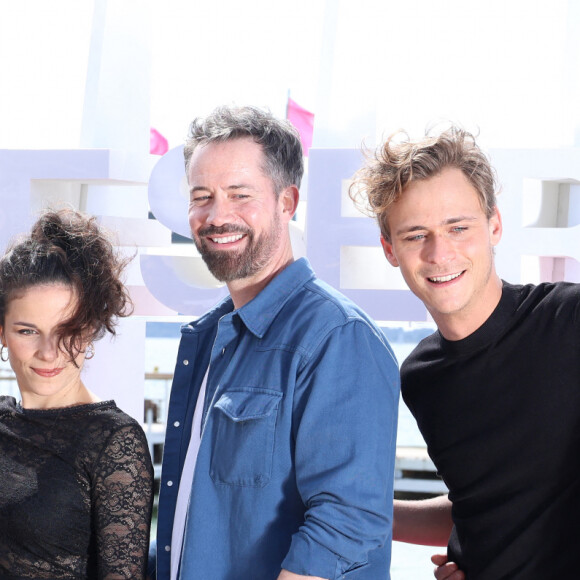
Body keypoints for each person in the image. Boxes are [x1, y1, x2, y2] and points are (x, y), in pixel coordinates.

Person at [151, 105, 400, 580]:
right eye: (202, 196)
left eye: (240, 195)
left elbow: (346, 524)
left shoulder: (337, 337)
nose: (217, 215)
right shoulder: (206, 340)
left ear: (287, 202)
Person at [350, 125, 580, 579]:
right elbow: (479, 504)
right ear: (389, 249)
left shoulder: (568, 320)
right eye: (416, 235)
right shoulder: (421, 376)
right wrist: (352, 507)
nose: (440, 252)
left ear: (494, 224)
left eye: (458, 227)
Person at [0, 209, 154, 579]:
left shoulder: (114, 441)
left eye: (67, 329)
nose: (49, 352)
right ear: (2, 333)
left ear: (90, 331)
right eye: (27, 331)